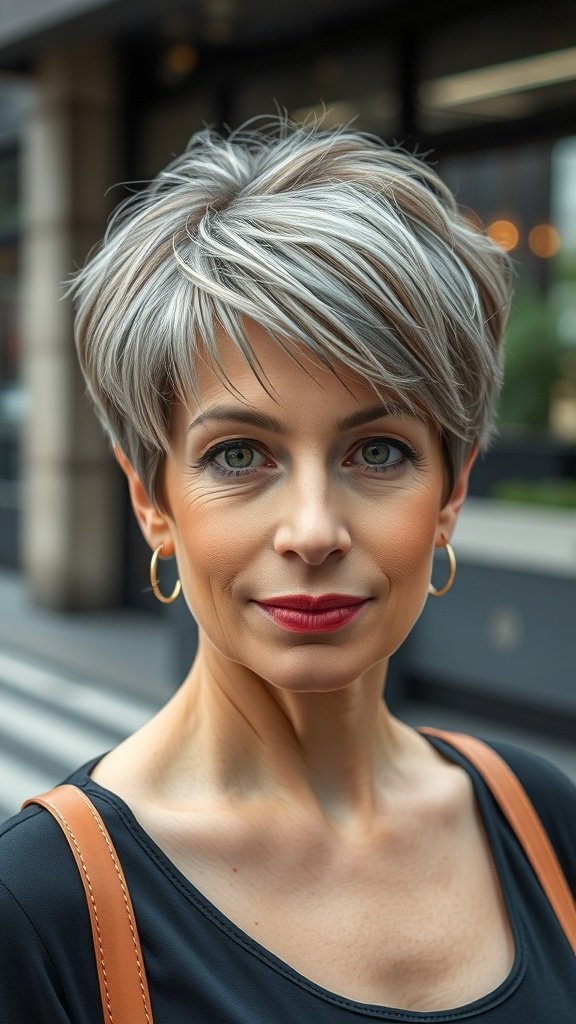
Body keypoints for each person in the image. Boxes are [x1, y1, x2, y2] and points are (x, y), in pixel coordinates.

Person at [1, 116, 574, 1022]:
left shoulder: (542, 820)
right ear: (151, 500)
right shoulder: (40, 908)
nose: (312, 531)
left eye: (378, 451)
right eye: (239, 455)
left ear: (453, 489)